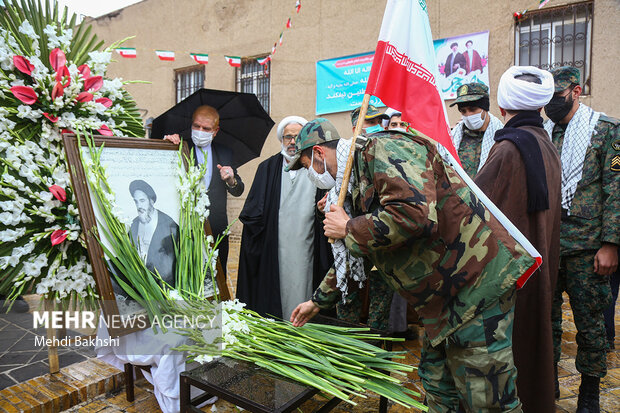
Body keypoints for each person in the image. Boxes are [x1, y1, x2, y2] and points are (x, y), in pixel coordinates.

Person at [288, 118, 538, 411]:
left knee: (487, 400)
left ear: (318, 153)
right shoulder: (353, 180)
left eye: (306, 166)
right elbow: (361, 253)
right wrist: (317, 302)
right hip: (440, 302)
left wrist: (350, 228)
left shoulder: (381, 149)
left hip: (475, 289)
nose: (311, 175)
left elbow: (415, 214)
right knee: (438, 390)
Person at [474, 66, 561, 413]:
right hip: (536, 272)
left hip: (510, 279)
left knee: (512, 351)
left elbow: (474, 208)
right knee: (532, 341)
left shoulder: (509, 150)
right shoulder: (545, 144)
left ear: (503, 105)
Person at [544, 66, 619, 412]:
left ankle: (589, 391)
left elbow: (615, 190)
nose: (551, 105)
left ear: (576, 92)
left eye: (558, 97)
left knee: (591, 324)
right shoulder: (544, 131)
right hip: (548, 245)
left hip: (588, 248)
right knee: (547, 322)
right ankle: (549, 383)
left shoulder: (605, 131)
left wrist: (610, 244)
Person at [236, 116, 332, 320]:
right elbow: (253, 213)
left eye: (297, 137)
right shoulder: (267, 168)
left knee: (306, 285)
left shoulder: (318, 166)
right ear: (281, 140)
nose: (291, 142)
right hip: (275, 248)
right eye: (287, 137)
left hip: (308, 246)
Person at [328, 105, 392, 331]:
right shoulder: (345, 156)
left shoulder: (386, 154)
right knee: (348, 301)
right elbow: (336, 194)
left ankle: (378, 354)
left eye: (378, 122)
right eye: (369, 123)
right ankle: (347, 354)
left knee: (381, 306)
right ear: (356, 128)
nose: (376, 128)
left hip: (380, 241)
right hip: (352, 244)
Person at [163, 105, 244, 275]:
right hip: (183, 229)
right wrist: (166, 146)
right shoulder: (179, 147)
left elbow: (238, 190)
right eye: (196, 126)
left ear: (215, 131)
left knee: (216, 278)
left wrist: (231, 179)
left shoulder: (225, 152)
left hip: (216, 229)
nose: (200, 131)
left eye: (206, 128)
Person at [129, 180, 179, 286]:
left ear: (151, 201)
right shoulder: (133, 224)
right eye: (136, 201)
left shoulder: (169, 225)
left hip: (166, 286)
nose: (139, 206)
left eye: (142, 200)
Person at [448, 82, 503, 177]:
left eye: (472, 109)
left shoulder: (501, 136)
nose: (468, 115)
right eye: (463, 111)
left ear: (484, 108)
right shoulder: (453, 137)